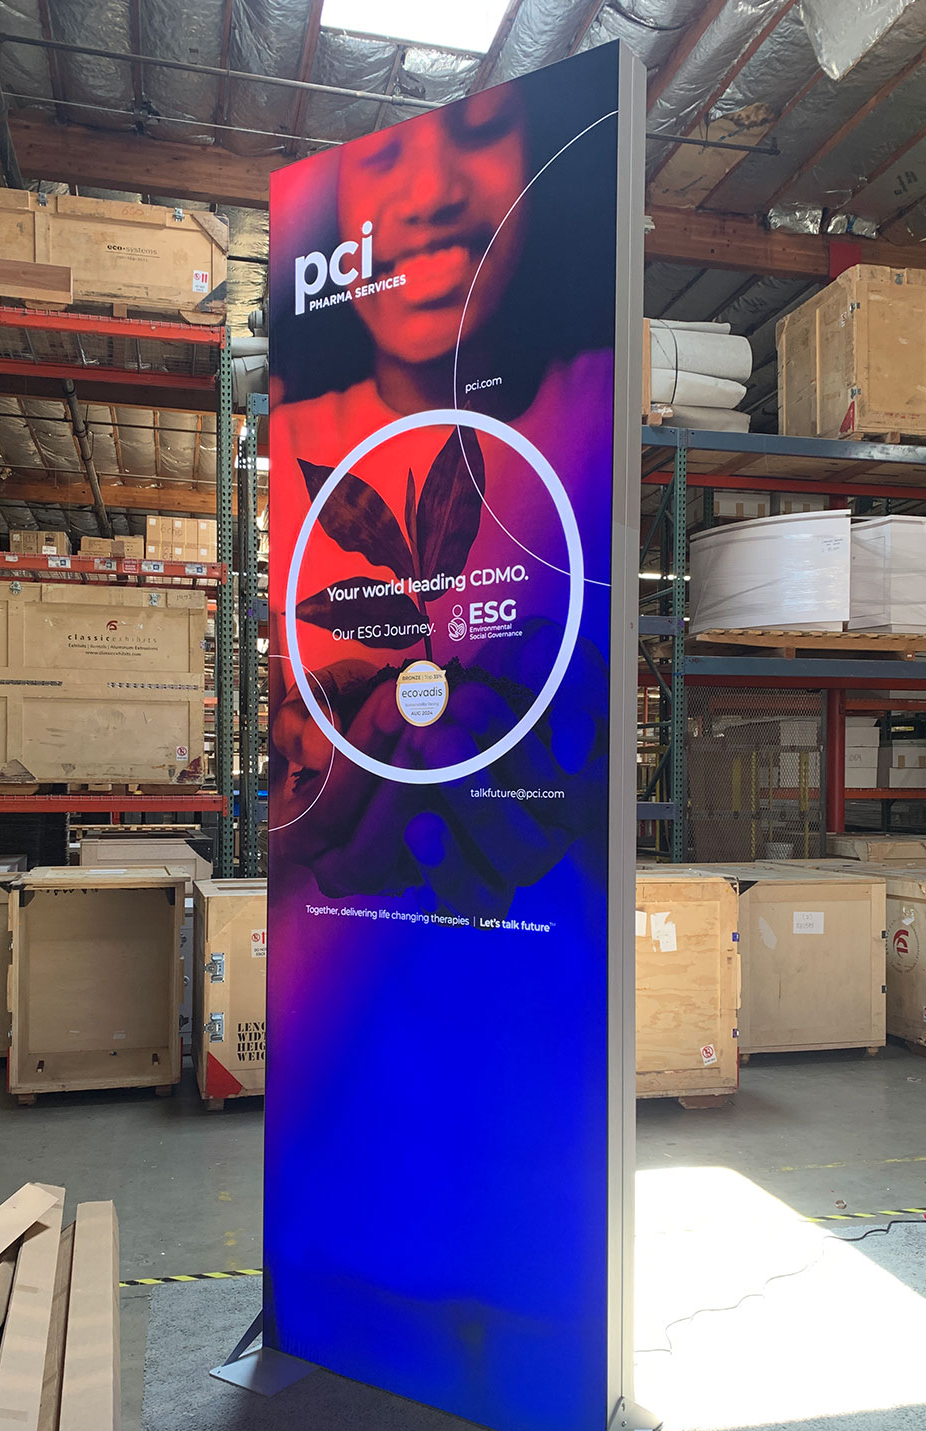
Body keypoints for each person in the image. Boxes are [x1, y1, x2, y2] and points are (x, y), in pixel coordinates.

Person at [268, 75, 616, 913]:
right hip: (334, 957)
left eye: (483, 126)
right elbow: (284, 738)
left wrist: (595, 779)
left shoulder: (607, 404)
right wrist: (289, 801)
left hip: (557, 945)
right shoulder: (284, 439)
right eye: (380, 154)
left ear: (536, 154)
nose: (428, 192)